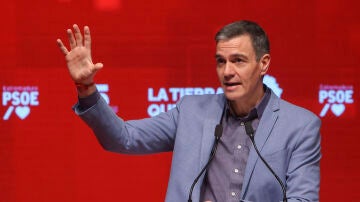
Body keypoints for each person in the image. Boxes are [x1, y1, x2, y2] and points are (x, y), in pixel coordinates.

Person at [57, 20, 321, 202]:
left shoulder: (300, 125)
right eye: (221, 62)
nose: (227, 72)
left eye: (238, 61)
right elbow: (124, 138)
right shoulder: (192, 111)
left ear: (263, 64)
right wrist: (86, 86)